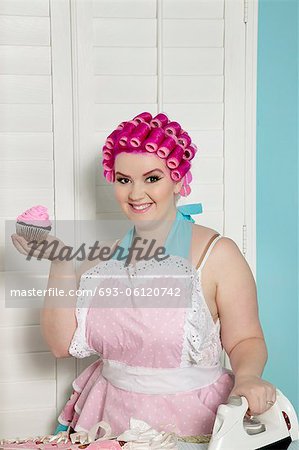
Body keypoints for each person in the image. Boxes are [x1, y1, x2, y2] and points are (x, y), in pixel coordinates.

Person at [11, 111, 276, 440]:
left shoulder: (217, 254)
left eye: (152, 178)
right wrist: (59, 263)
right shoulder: (101, 259)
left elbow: (245, 338)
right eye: (124, 180)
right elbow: (60, 345)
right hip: (108, 419)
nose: (136, 193)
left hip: (190, 422)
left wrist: (247, 377)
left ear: (179, 180)